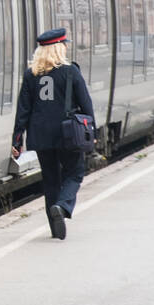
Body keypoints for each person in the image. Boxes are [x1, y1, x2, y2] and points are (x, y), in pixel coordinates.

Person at [12, 28, 95, 240]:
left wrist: (17, 140)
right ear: (59, 48)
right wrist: (90, 132)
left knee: (50, 180)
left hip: (40, 137)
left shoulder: (30, 75)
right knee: (74, 172)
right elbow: (86, 105)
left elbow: (23, 110)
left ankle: (54, 227)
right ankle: (63, 205)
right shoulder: (71, 72)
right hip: (69, 134)